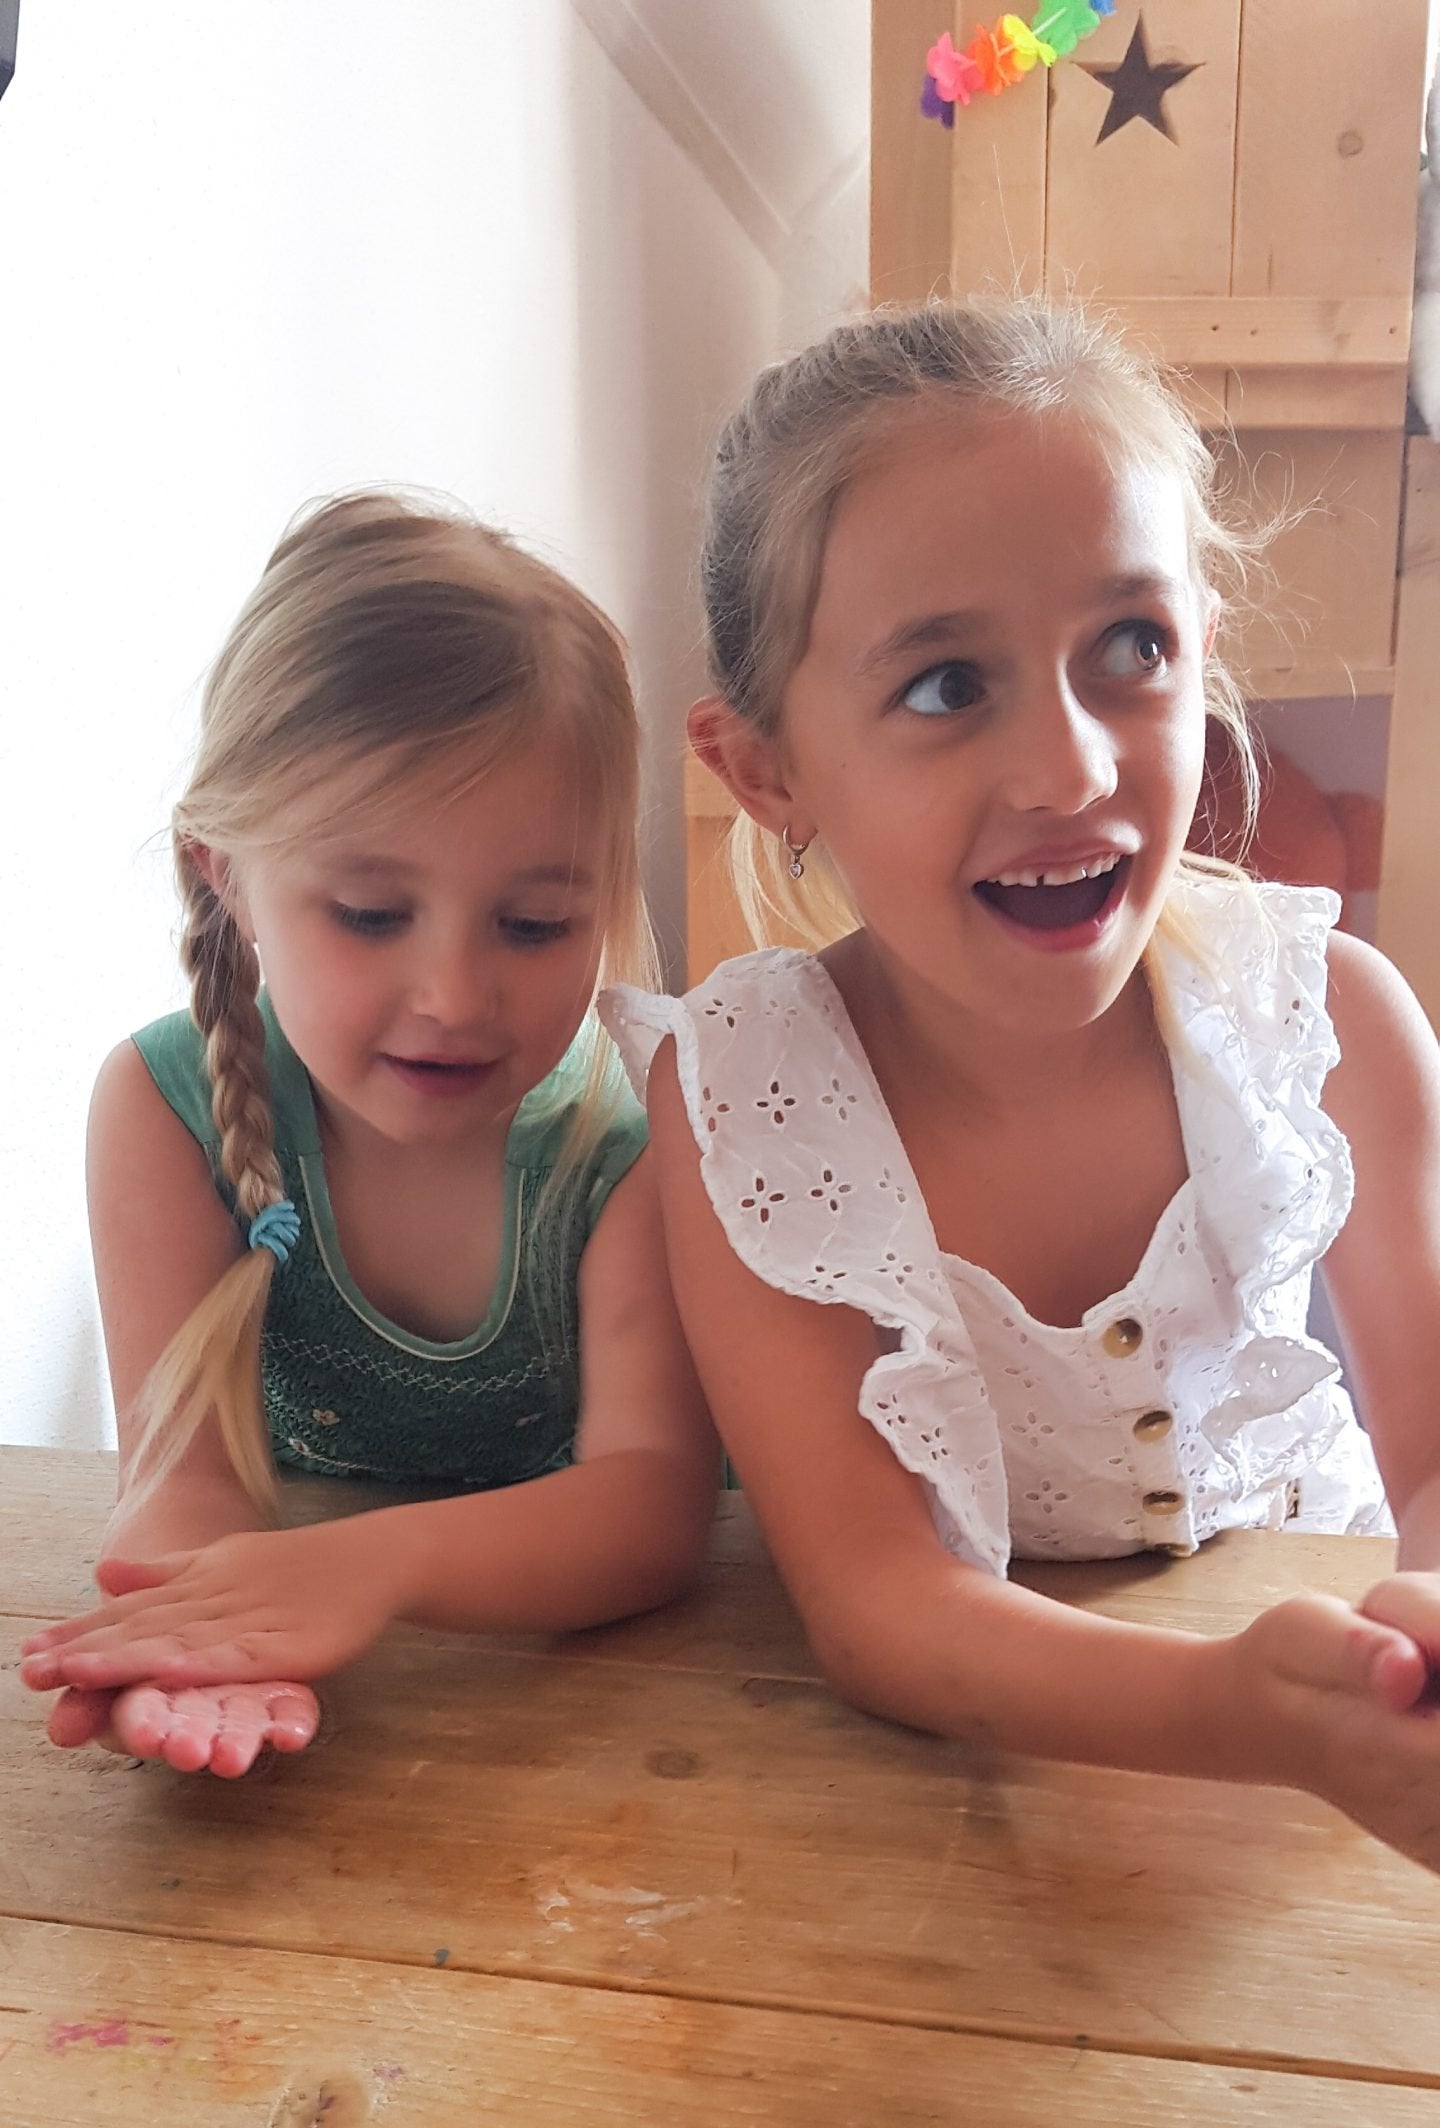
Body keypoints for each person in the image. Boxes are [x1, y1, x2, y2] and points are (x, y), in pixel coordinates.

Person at [592, 298, 1440, 1872]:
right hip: (980, 1825)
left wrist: (1414, 1643)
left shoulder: (1337, 1022)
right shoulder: (743, 1111)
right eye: (944, 686)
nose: (1071, 769)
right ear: (766, 771)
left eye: (1132, 650)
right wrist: (1250, 1717)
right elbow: (880, 1602)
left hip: (1345, 1755)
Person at [21, 492, 715, 1776]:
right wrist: (204, 1640)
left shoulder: (625, 1149)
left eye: (534, 925)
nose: (453, 996)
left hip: (608, 1725)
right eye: (370, 914)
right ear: (226, 873)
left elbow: (651, 1507)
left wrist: (369, 1566)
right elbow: (182, 1477)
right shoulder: (161, 1109)